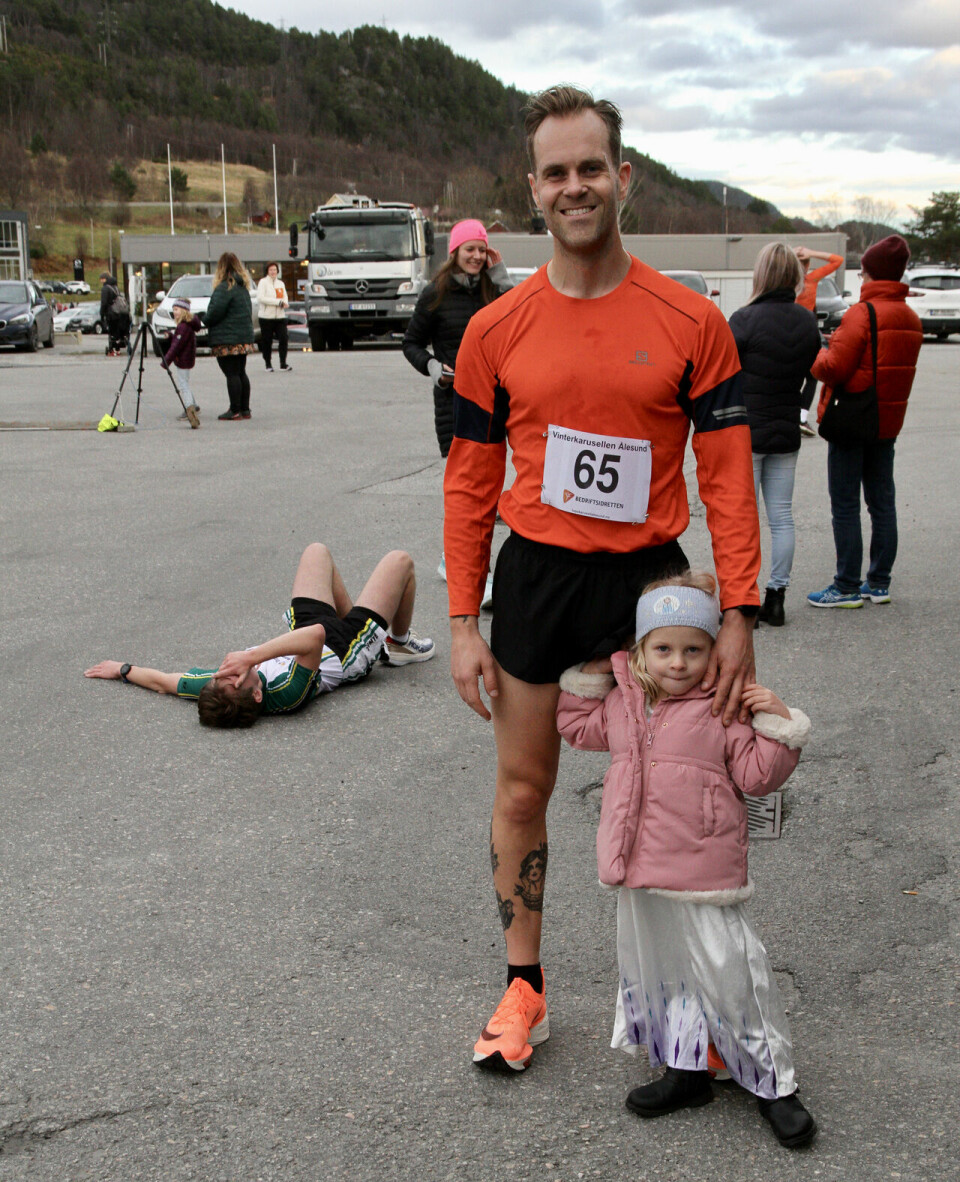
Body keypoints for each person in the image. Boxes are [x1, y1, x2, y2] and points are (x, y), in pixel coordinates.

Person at [443, 85, 761, 1073]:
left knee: (676, 794)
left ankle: (691, 1005)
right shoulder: (494, 330)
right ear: (532, 190)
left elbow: (727, 475)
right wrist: (461, 620)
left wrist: (740, 611)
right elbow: (470, 483)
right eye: (556, 172)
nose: (574, 186)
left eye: (591, 168)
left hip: (650, 588)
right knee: (523, 786)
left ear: (623, 179)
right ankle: (523, 990)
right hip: (537, 582)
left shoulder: (692, 320)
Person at [555, 574, 816, 1148]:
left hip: (703, 869)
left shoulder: (723, 707)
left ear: (713, 650)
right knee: (662, 972)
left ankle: (774, 1085)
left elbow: (758, 776)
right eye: (664, 648)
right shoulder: (623, 703)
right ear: (641, 649)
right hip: (640, 868)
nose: (678, 663)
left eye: (694, 649)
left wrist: (776, 723)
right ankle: (686, 1068)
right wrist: (596, 672)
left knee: (733, 975)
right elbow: (574, 724)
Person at [84, 542, 436, 727]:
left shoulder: (221, 686)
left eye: (218, 676)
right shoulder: (286, 694)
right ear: (256, 696)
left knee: (316, 552)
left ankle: (369, 612)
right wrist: (250, 657)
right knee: (400, 561)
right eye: (234, 676)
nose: (226, 670)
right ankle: (398, 642)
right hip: (344, 648)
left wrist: (123, 670)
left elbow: (165, 682)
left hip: (304, 636)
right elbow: (315, 636)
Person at [807, 235, 922, 608]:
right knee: (882, 503)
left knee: (845, 505)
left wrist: (819, 350)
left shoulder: (862, 313)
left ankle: (846, 586)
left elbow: (833, 368)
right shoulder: (910, 317)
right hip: (886, 423)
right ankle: (879, 582)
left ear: (872, 273)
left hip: (852, 422)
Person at [403, 219, 513, 596]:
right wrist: (434, 368)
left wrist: (500, 273)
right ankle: (464, 567)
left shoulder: (491, 289)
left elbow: (520, 317)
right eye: (470, 249)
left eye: (482, 250)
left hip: (493, 399)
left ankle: (458, 561)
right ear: (455, 252)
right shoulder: (435, 293)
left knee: (484, 488)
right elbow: (411, 343)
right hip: (453, 402)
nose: (477, 256)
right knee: (466, 489)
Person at [728, 244, 821, 626]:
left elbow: (723, 372)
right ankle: (777, 597)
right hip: (786, 431)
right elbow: (813, 371)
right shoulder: (807, 321)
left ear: (761, 273)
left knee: (744, 520)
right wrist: (799, 406)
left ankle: (745, 601)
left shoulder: (744, 319)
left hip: (748, 433)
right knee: (781, 517)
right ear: (794, 276)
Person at [794, 246, 844, 436]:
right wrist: (812, 252)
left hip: (789, 329)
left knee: (795, 375)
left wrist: (792, 254)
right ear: (807, 266)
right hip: (807, 331)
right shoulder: (812, 278)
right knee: (811, 376)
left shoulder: (786, 282)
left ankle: (793, 415)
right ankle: (801, 417)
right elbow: (838, 260)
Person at [205, 251, 256, 421]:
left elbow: (214, 313)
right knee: (241, 373)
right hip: (243, 337)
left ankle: (234, 410)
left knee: (232, 374)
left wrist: (202, 319)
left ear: (221, 267)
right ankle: (245, 409)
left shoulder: (224, 287)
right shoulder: (242, 288)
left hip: (227, 339)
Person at [161, 297, 201, 423]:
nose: (174, 312)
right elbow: (179, 340)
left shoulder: (183, 327)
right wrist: (171, 336)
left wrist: (166, 361)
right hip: (187, 358)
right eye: (173, 309)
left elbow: (176, 346)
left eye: (177, 309)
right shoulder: (187, 325)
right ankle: (194, 405)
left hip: (183, 359)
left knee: (183, 385)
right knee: (185, 382)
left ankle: (189, 409)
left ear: (184, 311)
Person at [256, 262, 291, 374]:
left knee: (283, 338)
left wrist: (284, 303)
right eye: (271, 270)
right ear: (267, 271)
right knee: (267, 341)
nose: (273, 272)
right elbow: (261, 298)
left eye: (275, 270)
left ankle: (283, 363)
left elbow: (285, 297)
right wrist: (278, 302)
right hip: (266, 317)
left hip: (280, 316)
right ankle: (268, 364)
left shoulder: (280, 283)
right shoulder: (263, 282)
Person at [99, 271, 130, 356]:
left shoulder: (105, 288)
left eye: (102, 279)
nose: (101, 281)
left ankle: (113, 349)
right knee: (118, 332)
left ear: (105, 279)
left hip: (111, 313)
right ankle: (118, 349)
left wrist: (102, 314)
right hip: (120, 312)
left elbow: (104, 303)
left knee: (112, 332)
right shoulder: (115, 287)